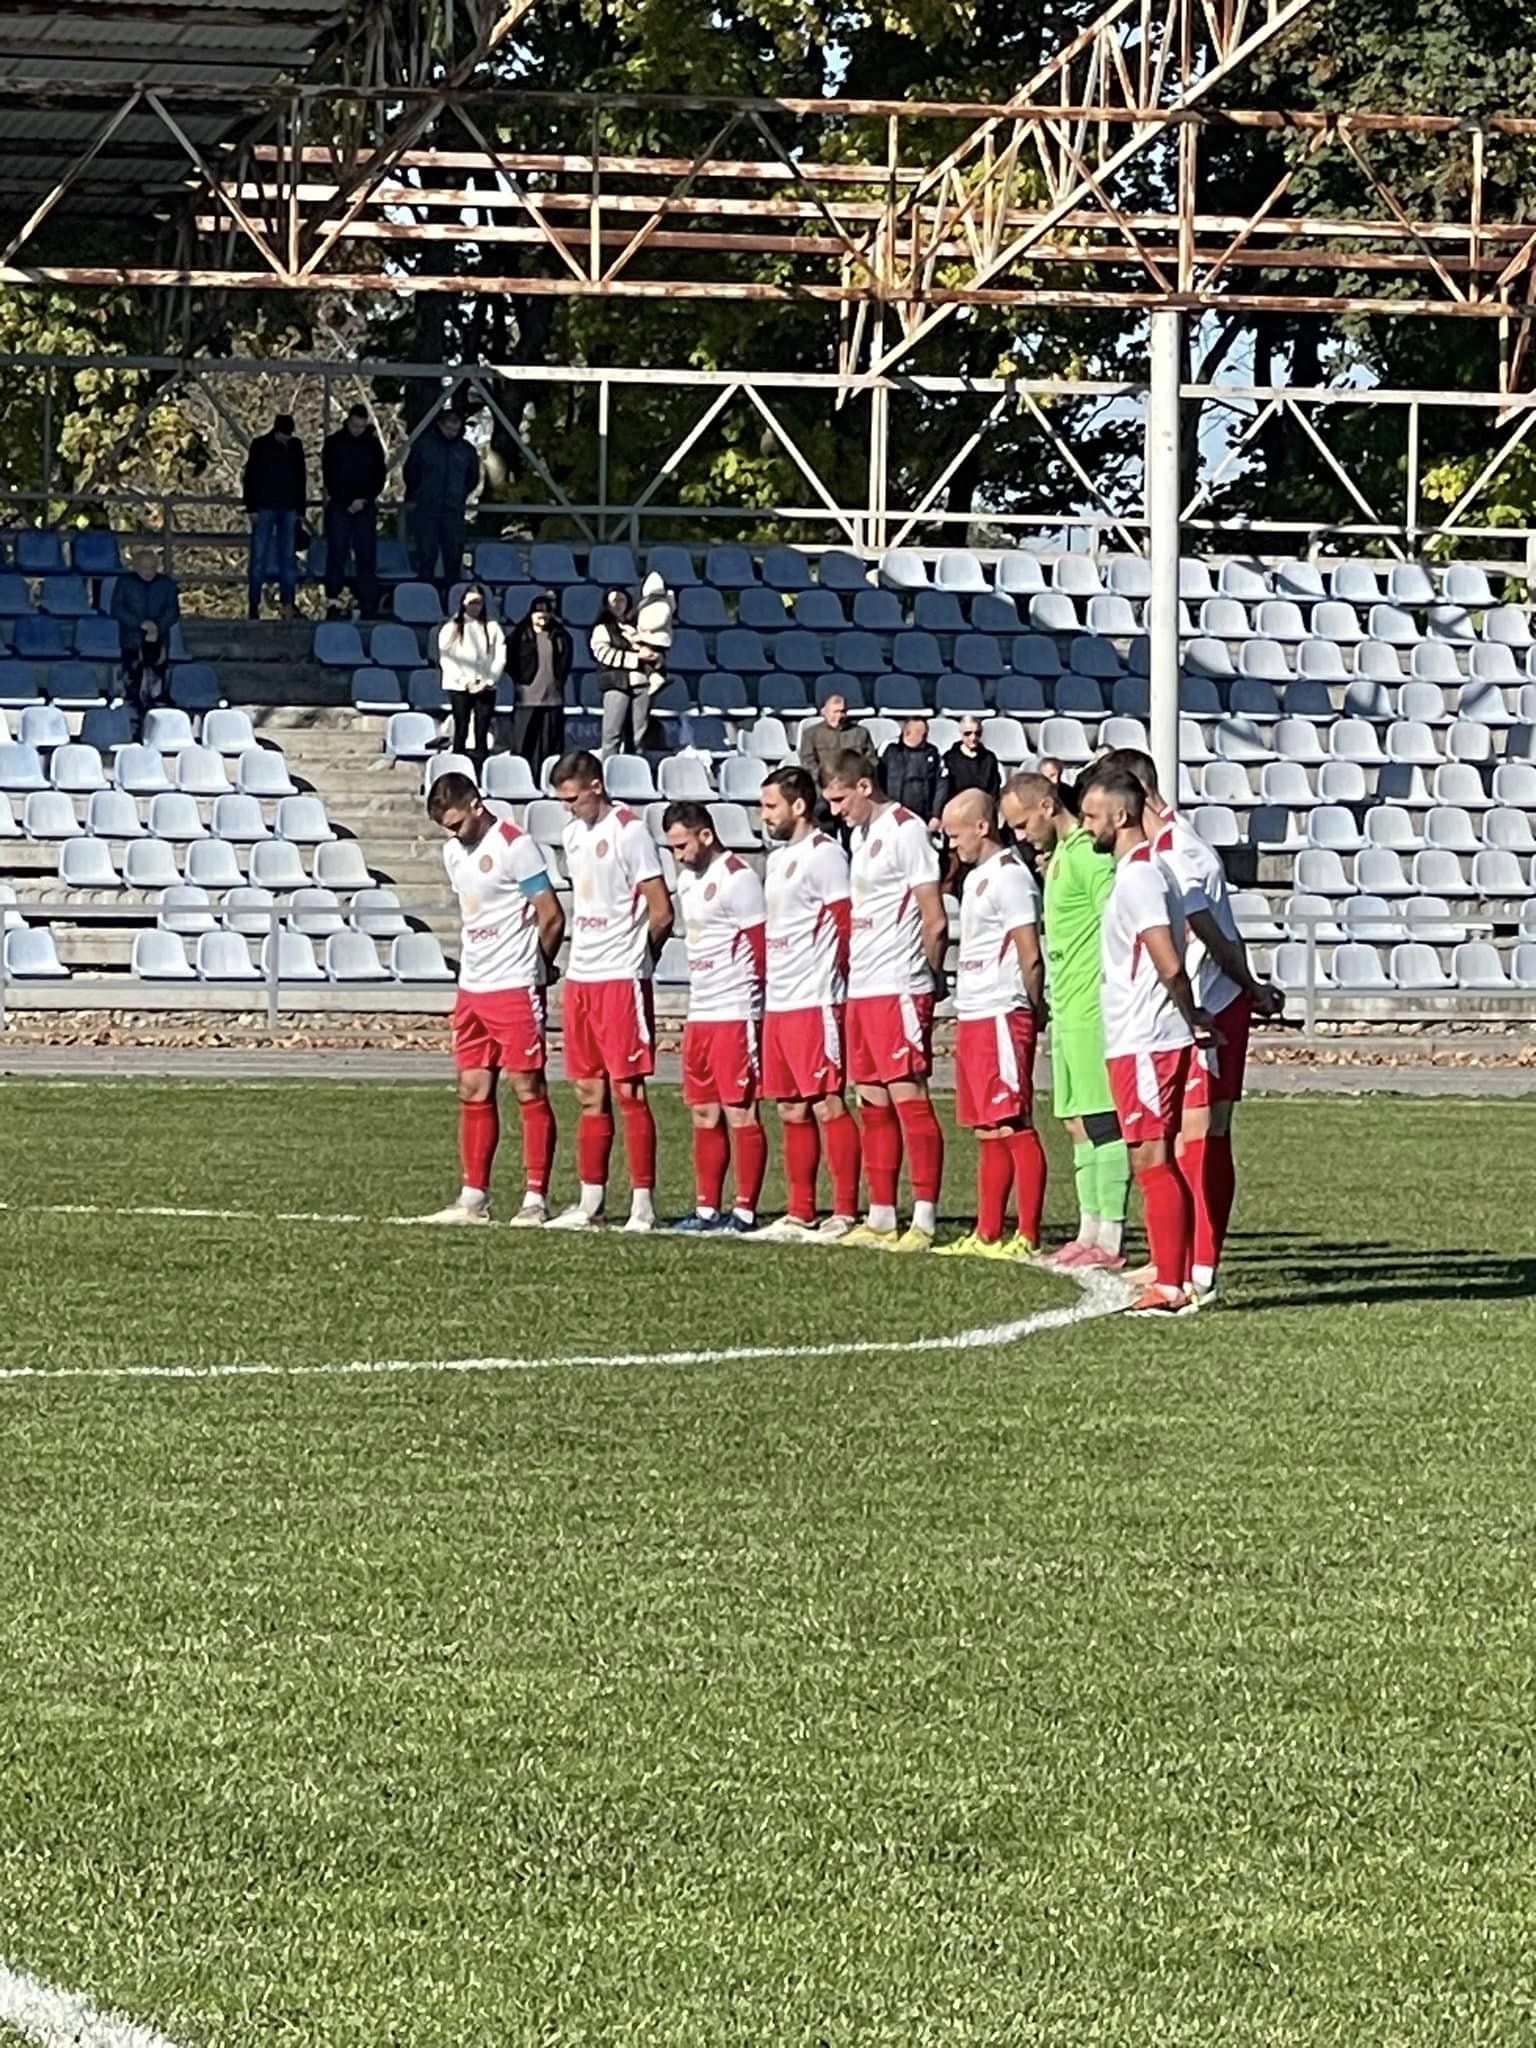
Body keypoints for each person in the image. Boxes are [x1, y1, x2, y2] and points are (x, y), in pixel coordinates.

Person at [1095, 746, 1283, 1304]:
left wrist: (1248, 988)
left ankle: (1197, 1268)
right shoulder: (1157, 856)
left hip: (1205, 1004)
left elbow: (1209, 934)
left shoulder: (1180, 853)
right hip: (1185, 1006)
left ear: (1133, 799)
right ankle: (1175, 1260)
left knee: (1198, 1137)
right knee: (1175, 1139)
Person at [1077, 764, 1216, 1317]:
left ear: (1121, 814)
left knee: (1152, 1158)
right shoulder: (1142, 872)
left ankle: (1172, 1284)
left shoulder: (1140, 876)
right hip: (1141, 1037)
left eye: (1092, 815)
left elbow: (1168, 960)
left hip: (1146, 1039)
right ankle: (1170, 1275)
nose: (1086, 826)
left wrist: (1190, 1013)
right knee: (1152, 1157)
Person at [420, 774, 564, 1226]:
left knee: (527, 1087)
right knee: (473, 1087)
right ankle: (473, 1196)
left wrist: (538, 965)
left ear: (477, 806)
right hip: (473, 986)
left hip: (514, 984)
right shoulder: (452, 852)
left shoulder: (515, 846)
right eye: (446, 828)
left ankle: (535, 1197)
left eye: (457, 824)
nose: (453, 834)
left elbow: (551, 915)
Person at [1001, 771, 1130, 1270]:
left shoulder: (1087, 856)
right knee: (1077, 1122)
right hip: (1068, 1008)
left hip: (1093, 1009)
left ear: (1048, 806)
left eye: (1022, 824)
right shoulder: (1058, 860)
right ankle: (1088, 1230)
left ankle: (1111, 1236)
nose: (1020, 835)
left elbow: (1117, 919)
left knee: (1103, 1119)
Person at [819, 750, 948, 1251]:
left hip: (899, 982)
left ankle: (925, 1217)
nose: (835, 810)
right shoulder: (860, 835)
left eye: (840, 799)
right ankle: (881, 1215)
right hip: (864, 986)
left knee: (907, 1096)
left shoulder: (906, 830)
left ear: (864, 787)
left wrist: (927, 975)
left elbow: (934, 917)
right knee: (871, 1098)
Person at [548, 749, 674, 1232]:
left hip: (620, 976)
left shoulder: (630, 831)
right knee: (588, 1090)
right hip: (582, 975)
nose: (568, 808)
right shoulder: (573, 834)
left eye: (573, 798)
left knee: (628, 1089)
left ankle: (643, 1203)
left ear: (596, 787)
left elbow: (660, 909)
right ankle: (591, 1201)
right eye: (562, 801)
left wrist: (641, 958)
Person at [935, 789, 1048, 1259]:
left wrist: (1034, 1007)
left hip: (1003, 1009)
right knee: (985, 1126)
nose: (951, 844)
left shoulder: (1011, 878)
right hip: (975, 1010)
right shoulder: (977, 878)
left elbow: (1029, 952)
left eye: (955, 834)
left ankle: (1028, 1233)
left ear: (982, 827)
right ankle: (987, 1231)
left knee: (1012, 1120)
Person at [755, 766, 863, 1242]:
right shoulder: (779, 859)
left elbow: (845, 922)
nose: (764, 815)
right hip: (780, 1001)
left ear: (798, 806)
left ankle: (845, 1209)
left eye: (771, 806)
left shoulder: (825, 855)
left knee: (826, 1102)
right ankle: (800, 1209)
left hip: (815, 998)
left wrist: (841, 979)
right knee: (790, 1107)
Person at [663, 801, 769, 1234]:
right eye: (672, 848)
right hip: (701, 1010)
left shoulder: (738, 878)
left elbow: (759, 945)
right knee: (704, 1112)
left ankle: (744, 1210)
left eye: (682, 846)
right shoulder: (687, 879)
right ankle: (707, 1208)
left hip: (734, 1009)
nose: (678, 856)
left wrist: (759, 1001)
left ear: (706, 835)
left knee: (740, 1110)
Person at [320, 402, 386, 618]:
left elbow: (379, 476)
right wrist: (346, 500)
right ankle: (333, 599)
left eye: (361, 426)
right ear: (348, 421)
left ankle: (366, 601)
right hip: (340, 505)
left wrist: (365, 499)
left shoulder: (373, 445)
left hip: (365, 506)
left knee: (366, 555)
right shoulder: (334, 443)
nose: (358, 430)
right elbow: (328, 474)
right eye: (355, 425)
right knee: (337, 553)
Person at [404, 409, 478, 592]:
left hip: (454, 510)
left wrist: (460, 494)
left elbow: (473, 477)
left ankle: (452, 599)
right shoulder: (424, 446)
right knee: (426, 557)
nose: (452, 432)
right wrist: (421, 493)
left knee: (453, 558)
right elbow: (410, 473)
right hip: (427, 509)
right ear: (440, 425)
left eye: (456, 428)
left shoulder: (466, 450)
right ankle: (424, 598)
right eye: (449, 428)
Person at [242, 412, 305, 621]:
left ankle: (288, 604)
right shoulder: (260, 446)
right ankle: (254, 604)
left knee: (287, 559)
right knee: (259, 558)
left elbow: (301, 477)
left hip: (288, 507)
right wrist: (251, 506)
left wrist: (300, 509)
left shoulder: (295, 446)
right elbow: (250, 477)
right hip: (265, 506)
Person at [110, 547, 179, 737]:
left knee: (157, 688)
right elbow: (117, 608)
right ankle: (133, 729)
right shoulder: (125, 583)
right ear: (135, 567)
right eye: (144, 568)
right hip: (132, 641)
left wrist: (157, 627)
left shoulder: (166, 584)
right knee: (132, 687)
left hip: (159, 641)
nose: (148, 572)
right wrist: (140, 624)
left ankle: (157, 731)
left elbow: (173, 611)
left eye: (152, 568)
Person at [437, 584, 505, 769]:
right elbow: (447, 659)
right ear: (463, 603)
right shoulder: (451, 627)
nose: (475, 606)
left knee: (482, 730)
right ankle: (458, 766)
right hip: (459, 686)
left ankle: (481, 768)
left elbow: (500, 656)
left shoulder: (492, 627)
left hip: (485, 685)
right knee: (461, 727)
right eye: (471, 602)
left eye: (478, 602)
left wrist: (488, 680)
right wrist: (465, 682)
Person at [505, 591, 571, 776]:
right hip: (527, 698)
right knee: (524, 743)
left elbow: (565, 661)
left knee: (550, 745)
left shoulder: (560, 636)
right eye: (538, 611)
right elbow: (510, 662)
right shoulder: (519, 636)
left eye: (546, 611)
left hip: (553, 698)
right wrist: (521, 679)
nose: (543, 615)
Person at [589, 587, 654, 760]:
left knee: (638, 737)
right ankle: (609, 769)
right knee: (612, 735)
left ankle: (636, 770)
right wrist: (636, 658)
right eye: (614, 601)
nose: (618, 605)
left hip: (641, 685)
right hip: (616, 684)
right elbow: (603, 655)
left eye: (622, 600)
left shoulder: (636, 628)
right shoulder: (602, 629)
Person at [879, 715, 944, 830]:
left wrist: (936, 815)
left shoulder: (932, 753)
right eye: (922, 734)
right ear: (907, 733)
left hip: (923, 817)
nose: (926, 738)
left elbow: (941, 785)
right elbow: (878, 780)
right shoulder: (890, 751)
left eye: (926, 734)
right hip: (893, 815)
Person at [797, 691, 875, 786]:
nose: (839, 716)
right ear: (823, 712)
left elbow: (871, 761)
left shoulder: (861, 733)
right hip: (823, 785)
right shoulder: (811, 734)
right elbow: (808, 763)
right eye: (835, 712)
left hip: (854, 784)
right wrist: (826, 779)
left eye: (842, 712)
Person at [937, 718, 1002, 808]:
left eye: (977, 733)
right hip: (956, 808)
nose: (973, 738)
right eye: (967, 733)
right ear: (961, 734)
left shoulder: (989, 758)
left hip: (982, 807)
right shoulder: (949, 758)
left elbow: (994, 790)